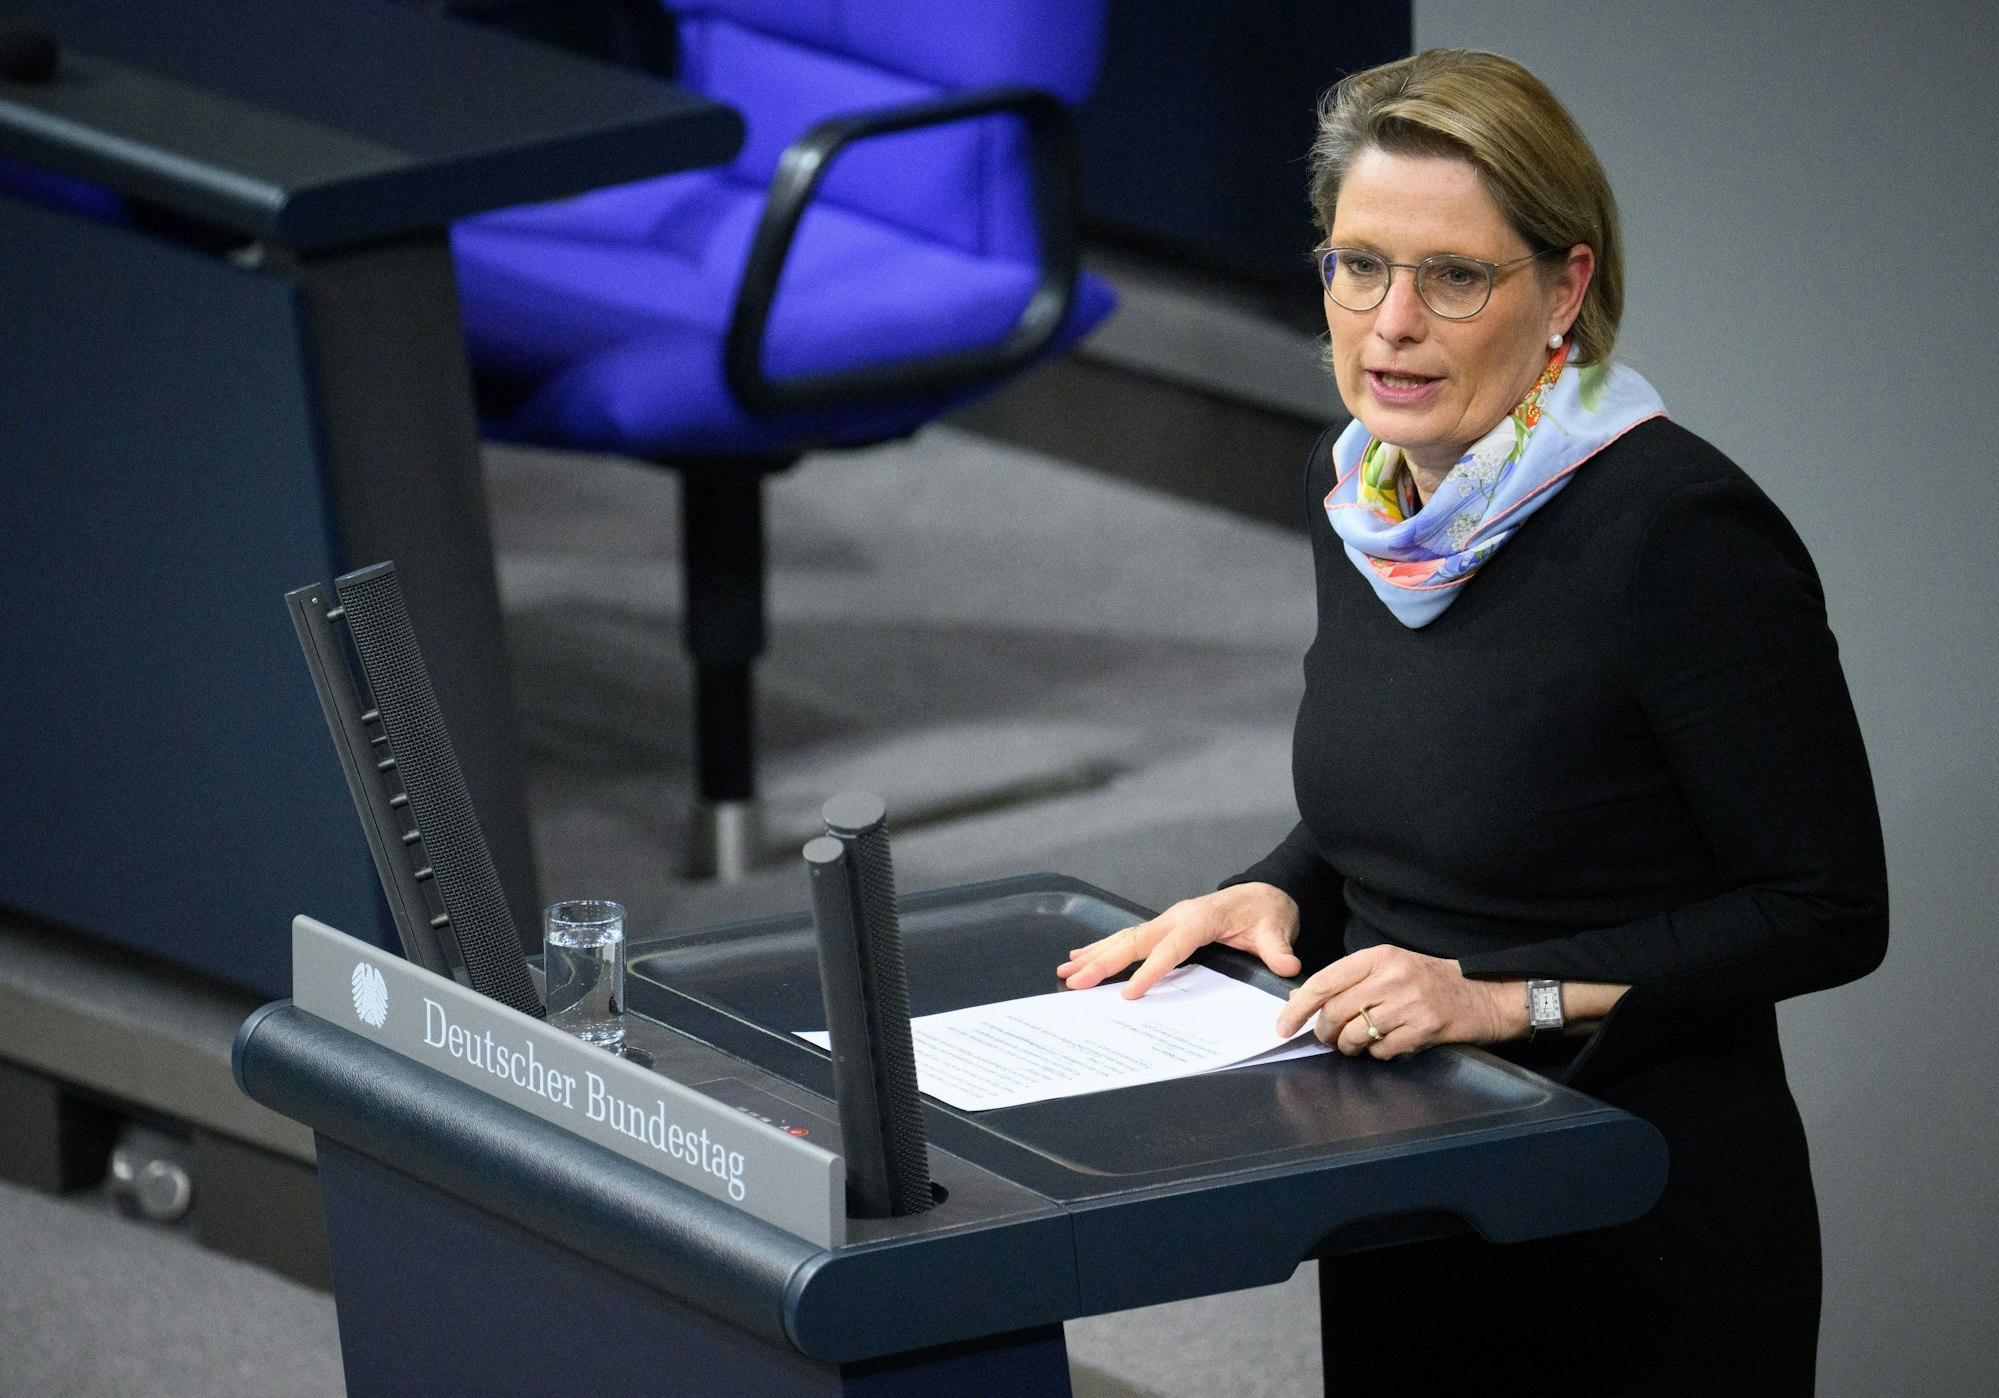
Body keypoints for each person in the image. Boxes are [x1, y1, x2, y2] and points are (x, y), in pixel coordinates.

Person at [1056, 48, 1887, 1397]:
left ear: (1564, 290)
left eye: (1454, 277)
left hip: (1631, 1211)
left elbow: (1829, 905)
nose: (1391, 323)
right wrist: (1270, 887)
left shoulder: (1680, 538)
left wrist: (1503, 995)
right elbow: (1435, 781)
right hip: (1408, 1173)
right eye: (1358, 264)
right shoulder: (1376, 500)